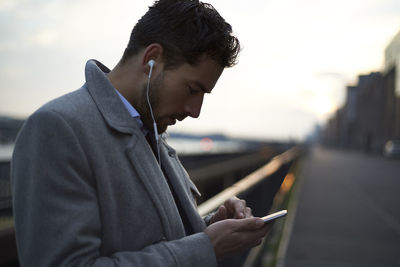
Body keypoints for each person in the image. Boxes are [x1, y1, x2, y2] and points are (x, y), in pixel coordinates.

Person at [11, 0, 272, 266]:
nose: (195, 111)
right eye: (193, 89)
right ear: (151, 60)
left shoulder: (150, 128)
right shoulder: (57, 128)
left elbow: (159, 238)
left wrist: (211, 228)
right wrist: (206, 246)